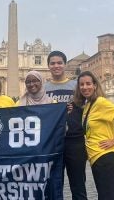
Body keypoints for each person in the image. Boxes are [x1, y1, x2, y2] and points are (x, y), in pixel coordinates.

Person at [74, 71, 114, 200]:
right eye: (81, 85)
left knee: (107, 196)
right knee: (103, 195)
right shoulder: (89, 104)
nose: (85, 87)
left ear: (95, 85)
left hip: (105, 156)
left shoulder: (101, 102)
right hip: (96, 156)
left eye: (88, 84)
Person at [44, 50, 87, 200]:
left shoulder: (76, 86)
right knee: (55, 183)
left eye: (59, 63)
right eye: (53, 63)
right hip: (53, 141)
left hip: (75, 140)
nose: (56, 66)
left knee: (78, 184)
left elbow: (88, 109)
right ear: (48, 66)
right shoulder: (44, 88)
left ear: (65, 64)